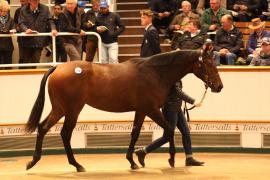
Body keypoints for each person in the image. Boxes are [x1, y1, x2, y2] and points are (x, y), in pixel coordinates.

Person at [135, 80, 204, 167]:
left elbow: (178, 92)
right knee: (167, 136)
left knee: (186, 132)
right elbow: (178, 92)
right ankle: (143, 151)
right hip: (170, 109)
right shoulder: (173, 76)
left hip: (177, 108)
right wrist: (193, 101)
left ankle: (189, 158)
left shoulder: (177, 75)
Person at [18, 0, 57, 68]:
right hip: (26, 41)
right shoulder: (23, 10)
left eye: (37, 0)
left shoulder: (45, 8)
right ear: (29, 1)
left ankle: (32, 76)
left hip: (39, 41)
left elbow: (50, 20)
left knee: (35, 60)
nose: (35, 2)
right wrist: (26, 29)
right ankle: (24, 77)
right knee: (25, 61)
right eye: (33, 1)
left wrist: (53, 29)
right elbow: (21, 23)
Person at [0, 0, 15, 67]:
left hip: (8, 46)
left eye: (6, 11)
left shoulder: (11, 19)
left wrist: (13, 31)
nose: (5, 13)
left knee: (8, 65)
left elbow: (13, 27)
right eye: (3, 11)